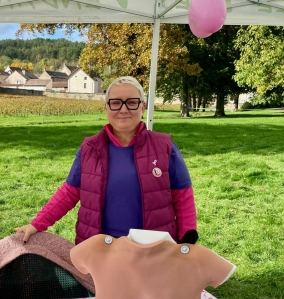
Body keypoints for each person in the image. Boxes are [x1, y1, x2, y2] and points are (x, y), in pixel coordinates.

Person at [17, 76, 198, 245]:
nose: (124, 109)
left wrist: (187, 240)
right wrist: (36, 224)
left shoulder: (164, 147)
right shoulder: (89, 148)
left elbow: (183, 196)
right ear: (106, 108)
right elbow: (69, 193)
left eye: (132, 103)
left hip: (153, 248)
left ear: (143, 107)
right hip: (100, 248)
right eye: (116, 103)